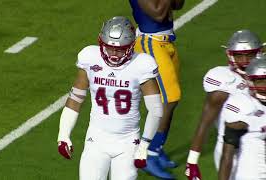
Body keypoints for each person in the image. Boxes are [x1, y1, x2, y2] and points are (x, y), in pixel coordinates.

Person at [57, 16, 164, 180]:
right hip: (97, 138)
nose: (114, 53)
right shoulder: (90, 58)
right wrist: (63, 135)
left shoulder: (141, 64)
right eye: (109, 48)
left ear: (131, 45)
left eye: (120, 49)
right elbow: (75, 99)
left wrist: (144, 145)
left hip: (128, 142)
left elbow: (156, 109)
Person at [185, 30, 263, 180]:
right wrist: (192, 161)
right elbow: (205, 121)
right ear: (230, 55)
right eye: (239, 55)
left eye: (250, 54)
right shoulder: (224, 80)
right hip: (232, 148)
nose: (245, 60)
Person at [129, 0, 185, 179]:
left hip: (166, 42)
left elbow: (177, 5)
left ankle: (157, 148)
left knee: (170, 99)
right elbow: (158, 14)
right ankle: (148, 153)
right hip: (150, 43)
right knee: (169, 98)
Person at [218, 55, 266, 180]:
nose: (264, 85)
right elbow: (227, 156)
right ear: (250, 82)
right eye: (260, 80)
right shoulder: (244, 106)